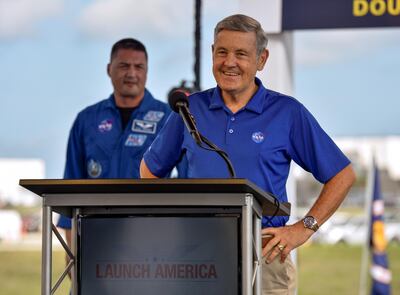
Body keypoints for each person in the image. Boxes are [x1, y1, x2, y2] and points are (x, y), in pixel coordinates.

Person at [140, 14, 355, 294]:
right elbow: (149, 171)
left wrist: (304, 228)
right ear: (212, 54)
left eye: (241, 54)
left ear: (261, 60)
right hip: (196, 258)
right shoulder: (189, 109)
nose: (229, 62)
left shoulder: (287, 113)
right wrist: (173, 225)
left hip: (265, 258)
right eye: (222, 52)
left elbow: (343, 175)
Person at [57, 38, 185, 248]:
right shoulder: (86, 120)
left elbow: (189, 183)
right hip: (96, 237)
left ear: (147, 71)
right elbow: (71, 185)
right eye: (124, 66)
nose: (131, 74)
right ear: (109, 69)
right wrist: (71, 253)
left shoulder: (169, 119)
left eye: (139, 67)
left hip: (153, 237)